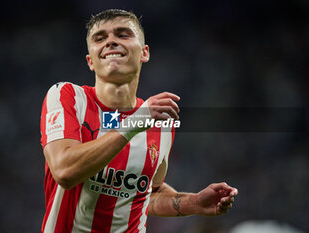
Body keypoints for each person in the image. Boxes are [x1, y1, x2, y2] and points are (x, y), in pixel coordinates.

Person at [40, 9, 238, 233]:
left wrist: (193, 202)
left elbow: (148, 194)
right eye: (100, 38)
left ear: (144, 53)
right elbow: (65, 171)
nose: (111, 41)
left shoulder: (159, 123)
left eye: (123, 34)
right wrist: (135, 122)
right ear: (90, 61)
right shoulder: (69, 97)